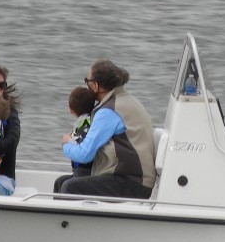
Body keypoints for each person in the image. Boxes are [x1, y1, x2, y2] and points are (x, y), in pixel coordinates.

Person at [55, 60, 157, 198]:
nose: (86, 85)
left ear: (96, 85)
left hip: (131, 182)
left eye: (87, 81)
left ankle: (70, 220)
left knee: (70, 187)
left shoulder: (109, 111)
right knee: (61, 182)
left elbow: (84, 155)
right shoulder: (125, 99)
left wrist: (66, 142)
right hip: (132, 178)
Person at [64, 85, 96, 178]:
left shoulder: (84, 123)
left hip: (83, 169)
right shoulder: (93, 119)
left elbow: (75, 142)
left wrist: (66, 139)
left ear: (71, 110)